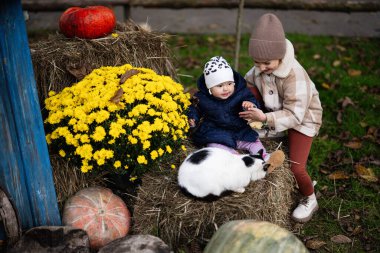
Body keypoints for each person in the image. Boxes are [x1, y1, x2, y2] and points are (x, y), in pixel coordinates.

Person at [239, 13, 323, 223]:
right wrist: (246, 101)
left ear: (280, 55)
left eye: (266, 63)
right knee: (248, 89)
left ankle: (309, 197)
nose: (260, 68)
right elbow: (248, 82)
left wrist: (265, 118)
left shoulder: (295, 76)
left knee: (296, 166)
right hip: (274, 111)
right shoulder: (261, 66)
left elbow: (295, 115)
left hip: (303, 119)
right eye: (256, 63)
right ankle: (266, 128)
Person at [187, 56, 269, 160]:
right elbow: (194, 108)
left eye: (229, 84)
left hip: (240, 129)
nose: (226, 89)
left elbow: (250, 98)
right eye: (220, 86)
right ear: (209, 89)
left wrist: (250, 105)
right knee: (215, 147)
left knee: (254, 141)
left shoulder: (241, 92)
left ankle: (264, 158)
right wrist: (192, 117)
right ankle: (235, 158)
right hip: (216, 131)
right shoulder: (202, 98)